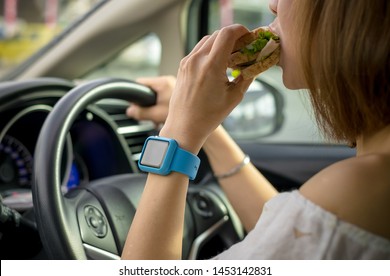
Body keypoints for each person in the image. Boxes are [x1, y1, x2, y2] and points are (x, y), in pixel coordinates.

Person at [121, 0, 390, 259]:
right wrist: (203, 127)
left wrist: (178, 132)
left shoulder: (359, 187)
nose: (273, 4)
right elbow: (287, 237)